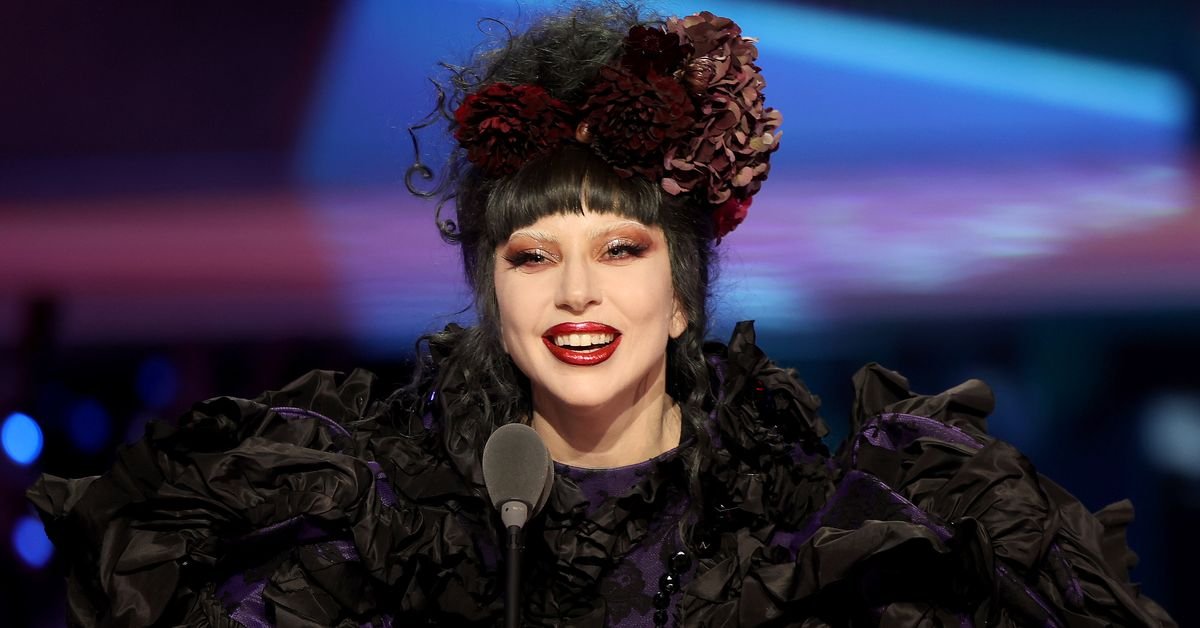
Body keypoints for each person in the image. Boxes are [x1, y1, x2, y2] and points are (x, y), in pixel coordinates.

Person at [29, 3, 1176, 627]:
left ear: (682, 296)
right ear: (493, 295)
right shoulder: (368, 532)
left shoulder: (837, 542)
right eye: (533, 256)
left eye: (620, 250)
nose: (575, 293)